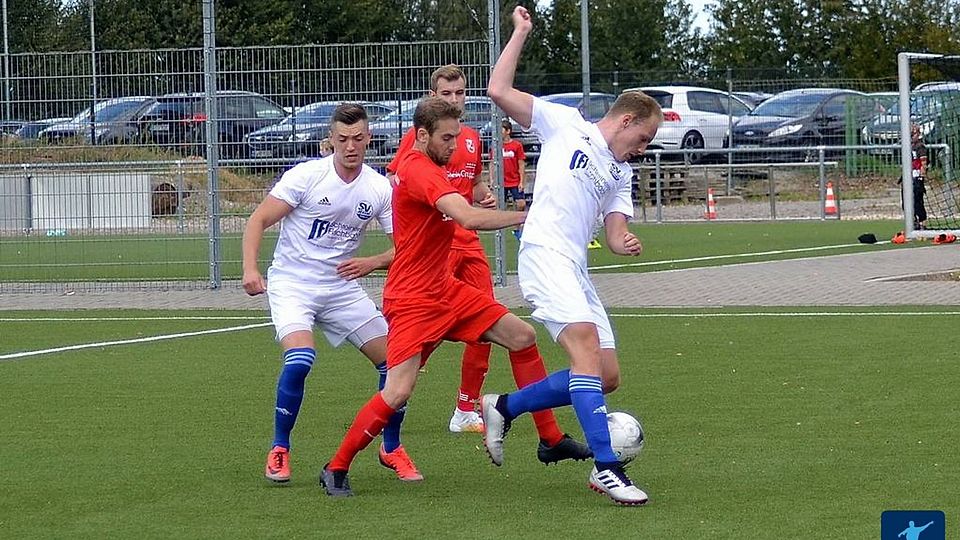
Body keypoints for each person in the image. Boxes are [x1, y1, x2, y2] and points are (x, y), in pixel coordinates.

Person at [320, 97, 588, 497]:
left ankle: (549, 440)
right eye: (447, 138)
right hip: (412, 298)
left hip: (445, 290)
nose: (454, 145)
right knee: (397, 391)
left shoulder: (425, 164)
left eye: (457, 136)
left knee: (522, 336)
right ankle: (336, 466)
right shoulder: (418, 169)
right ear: (423, 135)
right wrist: (529, 216)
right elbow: (468, 218)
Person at [480, 5, 662, 506]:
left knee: (606, 374)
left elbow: (615, 224)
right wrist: (519, 32)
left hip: (575, 267)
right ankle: (607, 468)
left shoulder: (621, 172)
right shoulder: (565, 124)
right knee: (584, 350)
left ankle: (505, 406)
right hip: (544, 253)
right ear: (625, 119)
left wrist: (623, 240)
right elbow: (498, 91)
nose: (642, 149)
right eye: (642, 138)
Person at [387, 65, 581, 457]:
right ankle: (388, 424)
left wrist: (484, 192)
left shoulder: (470, 138)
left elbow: (473, 186)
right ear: (432, 95)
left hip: (469, 242)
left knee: (495, 326)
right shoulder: (416, 143)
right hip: (434, 253)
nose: (454, 100)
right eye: (447, 94)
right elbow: (403, 191)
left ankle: (468, 407)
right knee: (415, 351)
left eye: (460, 93)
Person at [242, 103, 422, 485]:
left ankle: (390, 447)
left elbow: (406, 247)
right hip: (294, 284)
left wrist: (371, 262)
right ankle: (279, 449)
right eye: (343, 139)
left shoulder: (377, 188)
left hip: (342, 288)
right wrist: (250, 269)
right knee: (301, 359)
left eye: (358, 138)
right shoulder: (307, 176)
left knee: (398, 363)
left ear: (369, 139)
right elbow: (258, 219)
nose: (350, 146)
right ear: (331, 140)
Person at [494, 118, 526, 241]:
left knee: (521, 204)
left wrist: (522, 181)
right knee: (499, 206)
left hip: (514, 181)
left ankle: (517, 228)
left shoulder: (516, 145)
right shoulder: (497, 146)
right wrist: (492, 179)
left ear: (508, 131)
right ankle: (499, 229)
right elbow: (492, 162)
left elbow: (521, 163)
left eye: (501, 129)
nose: (499, 131)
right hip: (501, 182)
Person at [909, 123, 928, 230]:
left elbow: (923, 163)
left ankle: (922, 224)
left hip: (916, 177)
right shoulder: (908, 146)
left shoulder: (920, 146)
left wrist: (921, 176)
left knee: (918, 202)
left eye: (913, 133)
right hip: (908, 177)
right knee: (906, 202)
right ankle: (913, 222)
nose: (911, 136)